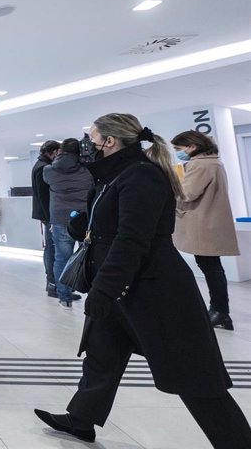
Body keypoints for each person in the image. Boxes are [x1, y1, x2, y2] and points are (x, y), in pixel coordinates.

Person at [34, 113, 251, 447]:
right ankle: (81, 419)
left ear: (110, 140)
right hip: (121, 286)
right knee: (101, 354)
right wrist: (84, 227)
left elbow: (133, 240)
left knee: (192, 374)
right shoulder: (113, 176)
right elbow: (110, 227)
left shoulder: (142, 176)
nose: (87, 145)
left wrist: (105, 288)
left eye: (92, 138)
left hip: (155, 289)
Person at [171, 130, 239, 331]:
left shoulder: (200, 165)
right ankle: (219, 310)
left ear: (192, 147)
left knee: (210, 267)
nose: (178, 152)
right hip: (210, 221)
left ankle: (220, 311)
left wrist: (171, 185)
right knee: (212, 267)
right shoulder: (213, 162)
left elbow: (187, 193)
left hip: (203, 222)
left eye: (179, 148)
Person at [42, 138, 93, 308]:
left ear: (61, 151)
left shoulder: (48, 171)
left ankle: (64, 297)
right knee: (89, 256)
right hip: (84, 219)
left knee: (61, 258)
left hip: (59, 219)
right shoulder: (87, 170)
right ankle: (91, 292)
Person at [32, 140, 60, 297]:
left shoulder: (40, 165)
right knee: (52, 248)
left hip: (46, 214)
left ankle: (52, 283)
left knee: (51, 248)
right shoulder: (43, 167)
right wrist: (50, 217)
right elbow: (43, 195)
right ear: (54, 152)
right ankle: (52, 284)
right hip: (48, 214)